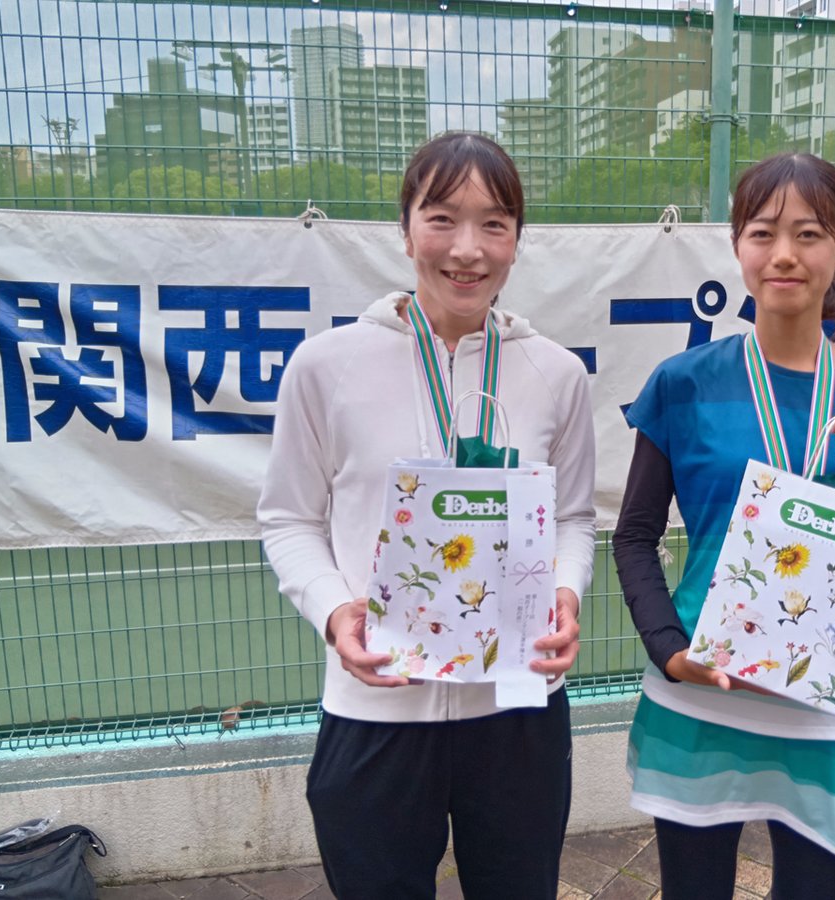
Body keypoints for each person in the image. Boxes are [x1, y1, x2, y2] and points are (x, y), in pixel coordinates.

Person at [257, 132, 596, 900]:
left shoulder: (556, 374)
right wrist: (336, 609)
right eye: (442, 218)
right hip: (376, 706)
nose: (467, 249)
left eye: (495, 224)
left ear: (517, 241)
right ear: (405, 229)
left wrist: (568, 595)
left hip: (517, 709)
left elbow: (573, 515)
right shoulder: (327, 366)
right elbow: (287, 519)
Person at [611, 152, 835, 899]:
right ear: (737, 246)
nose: (785, 255)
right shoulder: (683, 383)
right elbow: (634, 535)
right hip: (703, 692)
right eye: (763, 233)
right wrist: (668, 651)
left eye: (810, 233)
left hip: (826, 707)